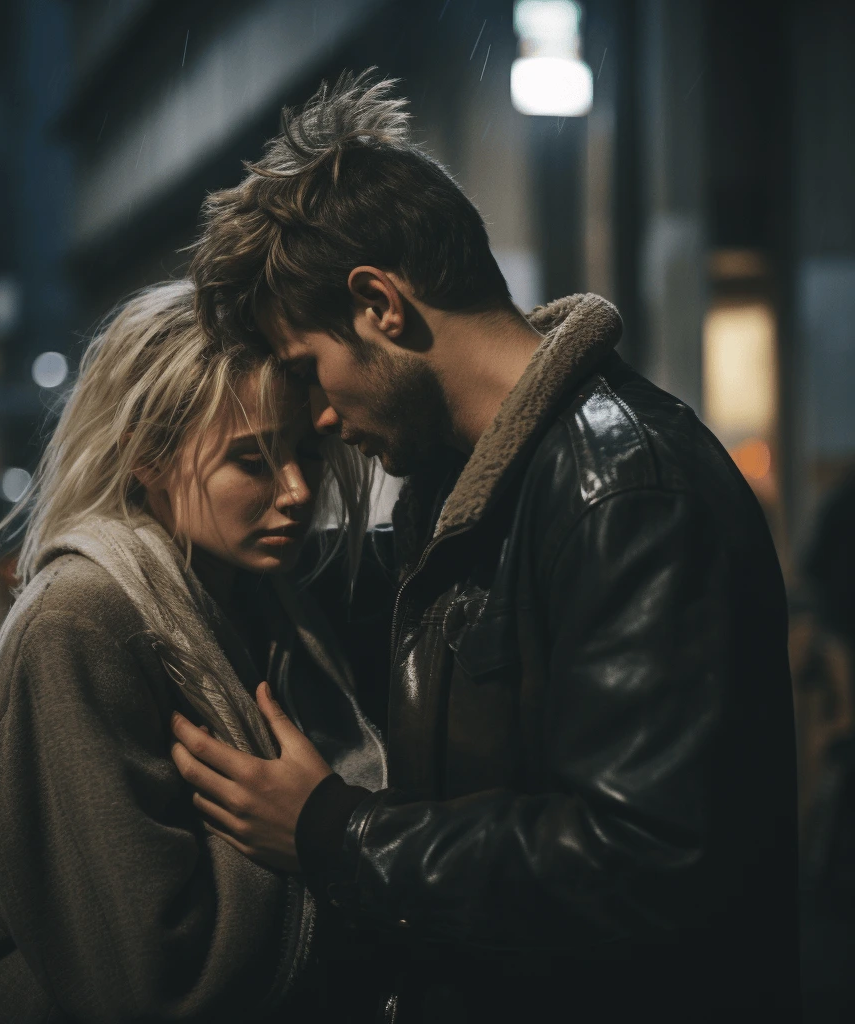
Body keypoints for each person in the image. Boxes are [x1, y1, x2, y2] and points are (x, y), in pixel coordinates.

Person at [172, 72, 801, 1020]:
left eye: (312, 372)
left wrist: (335, 836)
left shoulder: (623, 491)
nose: (325, 418)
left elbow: (641, 858)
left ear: (381, 302)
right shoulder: (463, 497)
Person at [0, 282, 387, 1023]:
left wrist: (331, 826)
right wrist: (325, 838)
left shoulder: (267, 596)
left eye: (305, 450)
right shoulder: (81, 621)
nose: (300, 490)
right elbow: (154, 978)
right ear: (148, 455)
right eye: (253, 461)